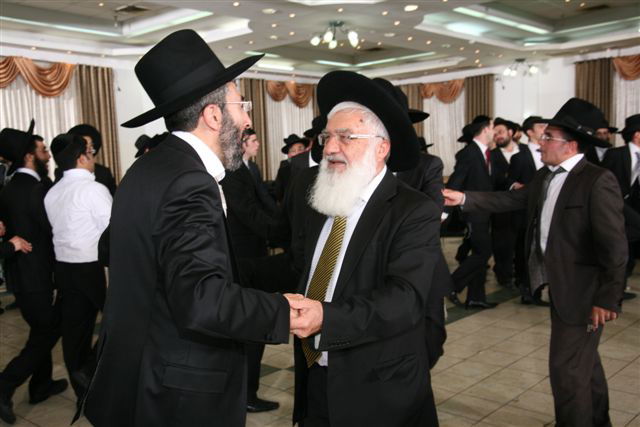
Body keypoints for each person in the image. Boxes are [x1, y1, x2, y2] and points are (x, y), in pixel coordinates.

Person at [80, 30, 302, 427]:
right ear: (214, 116)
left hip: (137, 374)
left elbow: (130, 255)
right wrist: (285, 311)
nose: (248, 119)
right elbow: (201, 298)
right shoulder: (190, 181)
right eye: (241, 105)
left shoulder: (148, 167)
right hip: (177, 390)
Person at [444, 98, 626, 427]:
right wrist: (464, 198)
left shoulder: (596, 180)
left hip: (584, 293)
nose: (540, 143)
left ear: (570, 145)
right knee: (584, 363)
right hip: (561, 287)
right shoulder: (546, 176)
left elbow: (614, 246)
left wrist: (607, 297)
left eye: (548, 137)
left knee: (566, 370)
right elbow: (511, 199)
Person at [288, 70, 441, 427]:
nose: (329, 148)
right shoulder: (322, 198)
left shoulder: (413, 210)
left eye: (345, 137)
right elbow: (302, 268)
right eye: (327, 136)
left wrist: (326, 318)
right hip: (315, 376)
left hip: (377, 389)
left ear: (381, 147)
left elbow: (404, 299)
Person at [0, 122, 67, 425]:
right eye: (42, 150)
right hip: (35, 276)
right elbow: (50, 232)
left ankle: (41, 385)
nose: (47, 155)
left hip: (21, 275)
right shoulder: (34, 189)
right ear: (29, 156)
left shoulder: (10, 187)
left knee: (41, 330)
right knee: (46, 333)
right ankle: (5, 383)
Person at [44, 134, 112, 401]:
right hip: (92, 268)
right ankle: (91, 369)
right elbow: (112, 232)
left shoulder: (52, 192)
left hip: (64, 269)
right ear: (82, 158)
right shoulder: (93, 190)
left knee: (75, 333)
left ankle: (83, 392)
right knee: (121, 322)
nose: (94, 158)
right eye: (91, 153)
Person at [220, 128, 282, 413]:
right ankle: (246, 394)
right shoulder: (232, 172)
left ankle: (245, 391)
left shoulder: (247, 168)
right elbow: (250, 214)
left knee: (253, 327)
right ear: (240, 143)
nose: (257, 143)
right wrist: (284, 234)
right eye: (252, 139)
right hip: (244, 260)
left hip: (254, 256)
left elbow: (263, 205)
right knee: (252, 327)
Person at [445, 116, 497, 309]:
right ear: (485, 129)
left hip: (484, 211)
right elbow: (455, 182)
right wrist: (445, 211)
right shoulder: (469, 153)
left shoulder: (485, 153)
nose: (494, 131)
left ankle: (476, 297)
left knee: (479, 253)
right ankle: (450, 285)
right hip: (473, 212)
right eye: (492, 127)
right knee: (483, 252)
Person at [508, 115, 548, 304]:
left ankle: (539, 286)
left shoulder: (551, 152)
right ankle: (527, 288)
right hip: (526, 211)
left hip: (548, 210)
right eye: (541, 126)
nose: (545, 129)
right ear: (530, 132)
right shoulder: (519, 156)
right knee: (525, 249)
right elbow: (509, 181)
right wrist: (517, 186)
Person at [601, 113, 640, 301]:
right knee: (615, 253)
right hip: (617, 211)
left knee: (630, 255)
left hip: (636, 215)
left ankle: (620, 288)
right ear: (637, 134)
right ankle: (611, 291)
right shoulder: (615, 154)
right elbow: (604, 183)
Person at [490, 118, 520, 289]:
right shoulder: (492, 155)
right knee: (502, 242)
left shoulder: (525, 151)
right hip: (501, 205)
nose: (498, 136)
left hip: (523, 205)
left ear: (510, 132)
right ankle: (504, 275)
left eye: (500, 132)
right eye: (495, 134)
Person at [68, 124, 117, 195]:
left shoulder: (104, 173)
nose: (88, 151)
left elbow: (115, 197)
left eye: (91, 147)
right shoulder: (67, 173)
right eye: (85, 147)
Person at [273, 134, 310, 202]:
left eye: (300, 149)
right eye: (293, 151)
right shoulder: (284, 167)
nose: (297, 153)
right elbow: (279, 192)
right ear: (289, 155)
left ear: (306, 150)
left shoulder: (311, 165)